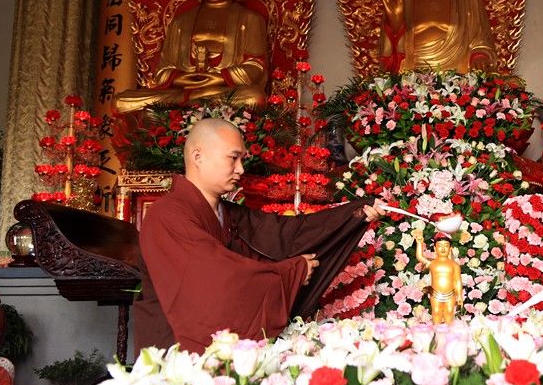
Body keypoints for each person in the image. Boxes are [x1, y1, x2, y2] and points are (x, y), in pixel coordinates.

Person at [133, 118, 383, 354]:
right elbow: (216, 278)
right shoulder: (167, 215)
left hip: (221, 352)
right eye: (233, 158)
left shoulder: (227, 213)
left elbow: (289, 234)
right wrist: (291, 273)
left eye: (242, 159)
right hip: (175, 349)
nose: (241, 169)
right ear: (198, 156)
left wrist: (354, 214)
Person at [115, 0, 269, 114]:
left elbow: (256, 67)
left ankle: (190, 103)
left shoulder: (250, 18)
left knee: (254, 98)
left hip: (222, 90)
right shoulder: (181, 22)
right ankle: (193, 101)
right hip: (183, 91)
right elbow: (163, 72)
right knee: (121, 102)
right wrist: (185, 80)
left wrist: (217, 79)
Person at [415, 232, 463, 324]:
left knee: (449, 312)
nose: (443, 248)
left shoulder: (454, 265)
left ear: (450, 248)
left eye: (446, 245)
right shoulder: (432, 263)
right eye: (440, 245)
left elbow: (457, 281)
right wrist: (419, 244)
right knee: (436, 312)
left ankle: (449, 332)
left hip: (451, 295)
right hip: (435, 294)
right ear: (435, 248)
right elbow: (420, 257)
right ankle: (437, 332)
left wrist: (459, 295)